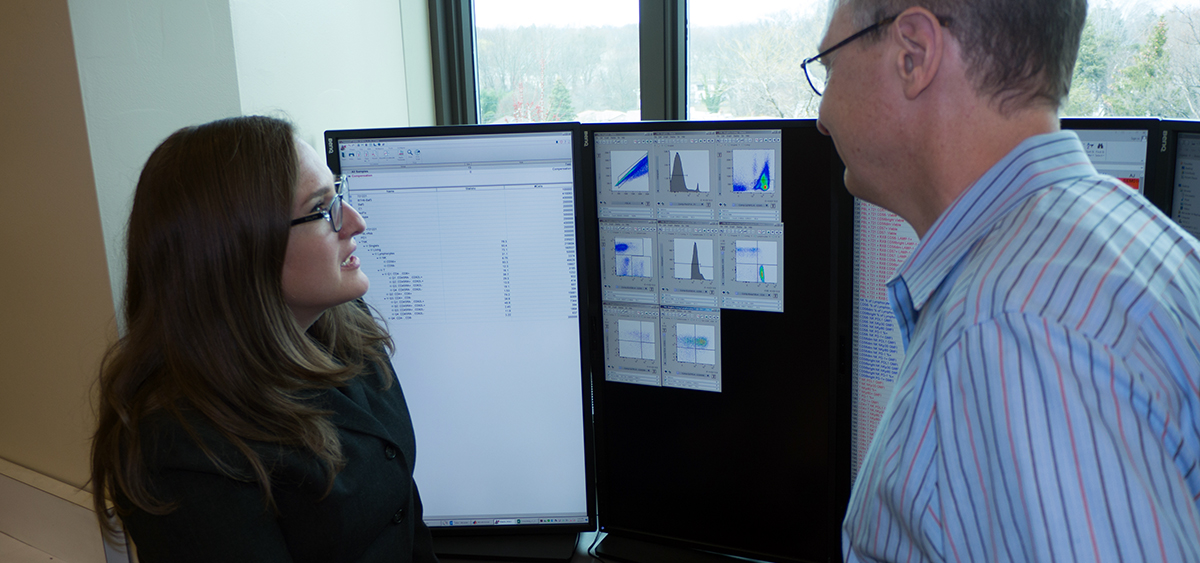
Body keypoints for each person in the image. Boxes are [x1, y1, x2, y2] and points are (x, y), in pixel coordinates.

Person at [809, 0, 1200, 561]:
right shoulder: (1143, 247)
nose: (822, 115)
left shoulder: (1011, 328)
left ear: (913, 54)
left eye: (827, 67)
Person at [90, 116, 438, 563]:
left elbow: (404, 514)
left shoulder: (345, 325)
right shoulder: (182, 454)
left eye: (340, 195)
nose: (355, 222)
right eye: (322, 207)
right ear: (243, 249)